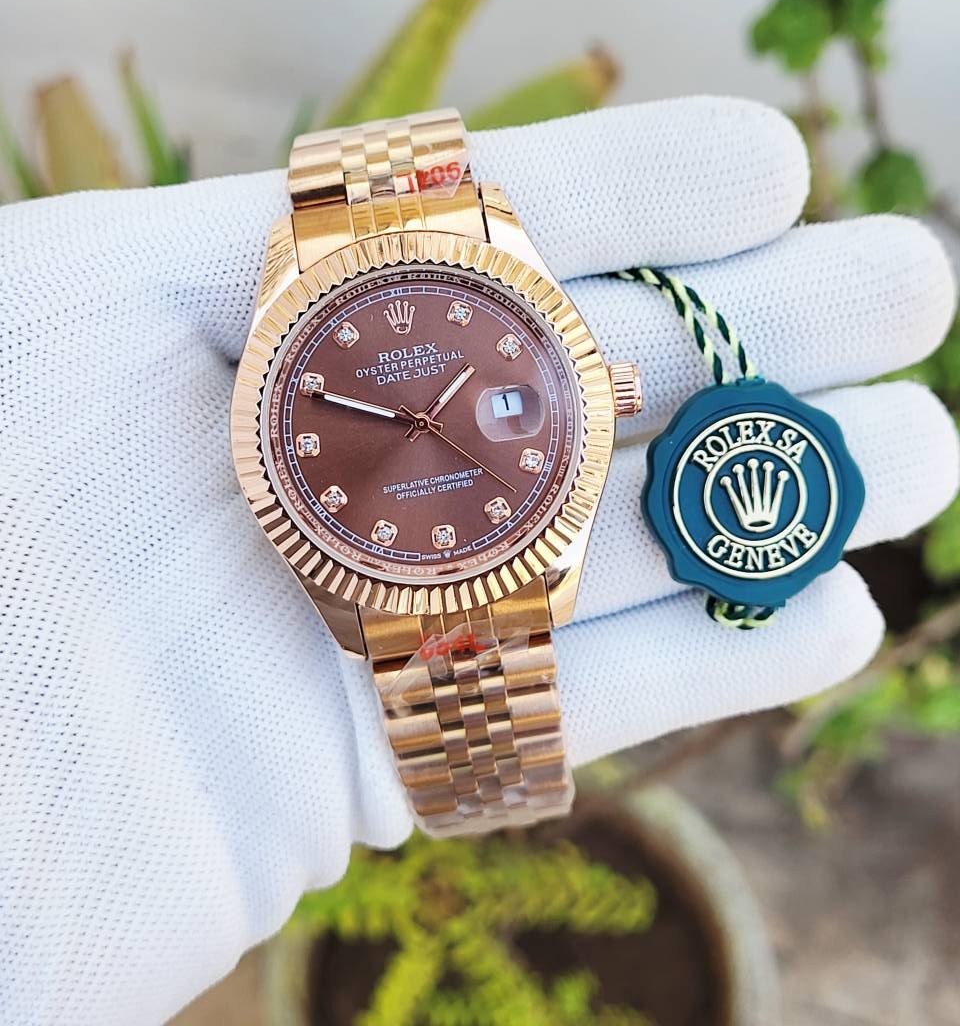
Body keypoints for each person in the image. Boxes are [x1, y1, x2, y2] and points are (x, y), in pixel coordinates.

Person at [1, 98, 956, 1024]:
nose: (422, 424)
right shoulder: (282, 430)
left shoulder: (541, 396)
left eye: (439, 409)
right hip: (392, 552)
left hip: (472, 522)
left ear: (605, 389)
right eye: (408, 420)